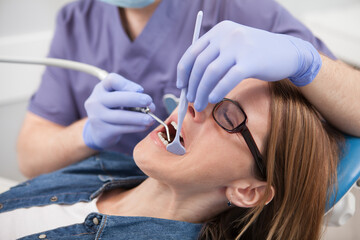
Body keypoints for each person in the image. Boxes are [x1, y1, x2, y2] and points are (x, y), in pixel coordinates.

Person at [17, 0, 360, 178]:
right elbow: (30, 160)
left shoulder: (237, 9)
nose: (186, 112)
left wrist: (305, 61)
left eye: (225, 113)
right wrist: (87, 133)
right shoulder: (78, 21)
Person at [1, 78, 343, 239]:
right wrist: (84, 133)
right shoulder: (108, 166)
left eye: (227, 115)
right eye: (204, 90)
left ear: (248, 190)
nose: (192, 105)